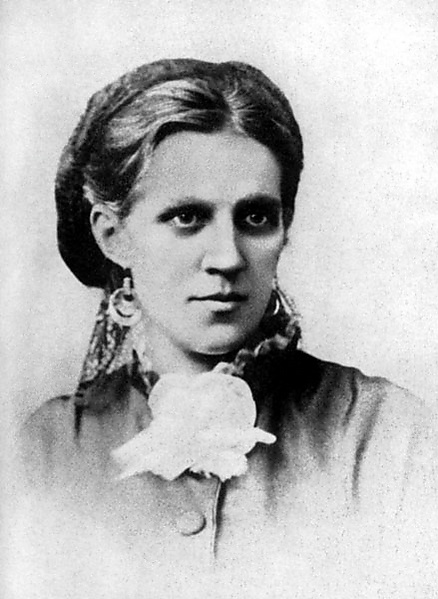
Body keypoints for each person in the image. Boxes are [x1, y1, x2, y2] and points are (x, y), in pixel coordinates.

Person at [16, 58, 438, 598]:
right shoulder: (48, 448)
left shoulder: (389, 437)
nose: (227, 257)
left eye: (255, 217)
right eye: (187, 217)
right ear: (113, 236)